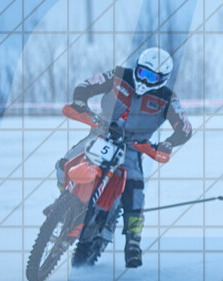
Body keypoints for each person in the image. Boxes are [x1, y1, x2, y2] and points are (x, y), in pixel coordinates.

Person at [58, 47, 193, 268]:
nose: (145, 80)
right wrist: (80, 102)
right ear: (137, 67)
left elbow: (185, 129)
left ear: (162, 79)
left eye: (152, 77)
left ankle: (132, 242)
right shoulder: (119, 75)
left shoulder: (168, 98)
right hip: (101, 132)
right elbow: (86, 85)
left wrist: (167, 144)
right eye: (142, 73)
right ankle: (63, 202)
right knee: (66, 162)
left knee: (135, 189)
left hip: (132, 146)